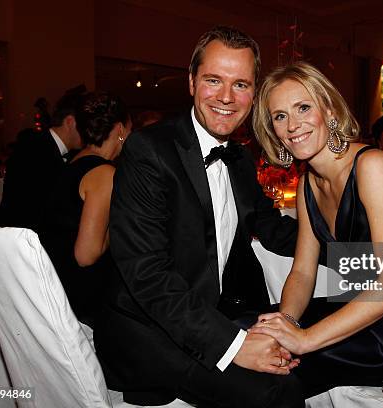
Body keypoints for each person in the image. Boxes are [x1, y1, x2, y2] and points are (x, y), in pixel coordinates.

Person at [94, 26, 302, 407]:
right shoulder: (149, 150)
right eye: (213, 80)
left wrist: (349, 240)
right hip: (148, 328)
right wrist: (233, 345)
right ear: (191, 82)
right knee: (277, 392)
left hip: (210, 312)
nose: (226, 97)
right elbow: (147, 274)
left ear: (254, 93)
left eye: (240, 84)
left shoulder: (238, 158)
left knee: (309, 353)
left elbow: (272, 228)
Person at [251, 61, 383, 397]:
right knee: (247, 332)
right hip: (355, 309)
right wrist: (287, 322)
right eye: (280, 116)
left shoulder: (373, 166)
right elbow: (302, 273)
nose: (292, 125)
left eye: (303, 107)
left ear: (330, 111)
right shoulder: (306, 186)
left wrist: (304, 339)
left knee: (271, 374)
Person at [39, 92, 130, 329]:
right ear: (120, 129)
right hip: (82, 305)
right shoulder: (104, 174)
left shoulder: (73, 163)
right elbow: (86, 255)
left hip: (54, 286)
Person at [0, 91, 84, 231]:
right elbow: (42, 207)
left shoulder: (42, 143)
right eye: (85, 124)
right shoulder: (37, 150)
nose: (89, 130)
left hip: (28, 230)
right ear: (70, 122)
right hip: (21, 238)